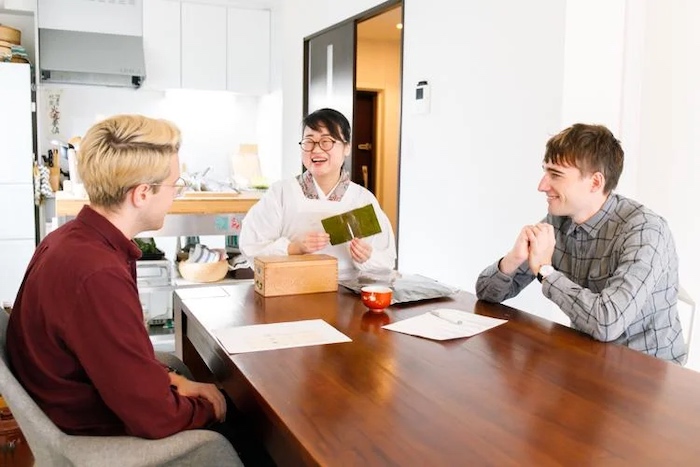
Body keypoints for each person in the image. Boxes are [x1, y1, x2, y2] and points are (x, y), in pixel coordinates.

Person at [6, 115, 229, 439]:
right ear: (141, 194)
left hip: (76, 402)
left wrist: (172, 381)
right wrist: (212, 407)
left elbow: (114, 357)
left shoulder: (70, 238)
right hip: (96, 434)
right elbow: (156, 418)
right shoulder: (98, 274)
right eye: (174, 185)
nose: (175, 196)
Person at [475, 123, 686, 364]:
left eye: (555, 175)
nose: (542, 185)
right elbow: (486, 294)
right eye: (545, 172)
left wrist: (545, 271)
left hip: (648, 376)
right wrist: (513, 259)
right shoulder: (559, 220)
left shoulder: (645, 231)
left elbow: (607, 322)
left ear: (595, 183)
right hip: (589, 358)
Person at [240, 108, 397, 273]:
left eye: (326, 141)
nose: (316, 150)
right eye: (309, 141)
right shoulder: (281, 193)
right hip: (288, 289)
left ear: (347, 148)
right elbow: (250, 246)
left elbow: (386, 260)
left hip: (345, 293)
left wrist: (367, 257)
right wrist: (293, 248)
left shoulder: (362, 200)